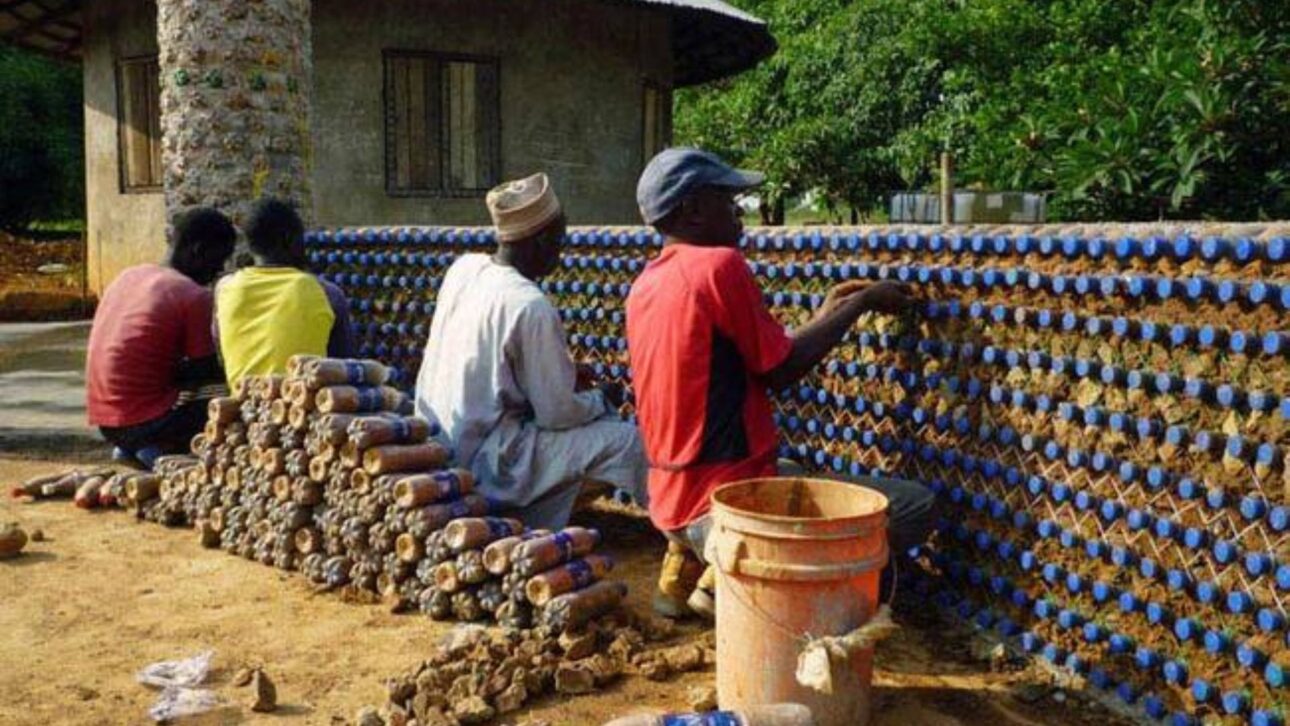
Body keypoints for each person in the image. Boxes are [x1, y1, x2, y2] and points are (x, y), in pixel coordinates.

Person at [626, 148, 936, 619]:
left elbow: (760, 355)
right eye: (728, 201)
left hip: (667, 501)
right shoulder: (718, 265)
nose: (740, 215)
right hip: (723, 506)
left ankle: (683, 569)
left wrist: (826, 312)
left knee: (789, 464)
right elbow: (783, 371)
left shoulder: (647, 284)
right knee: (915, 506)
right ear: (692, 209)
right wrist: (863, 304)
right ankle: (734, 580)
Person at [414, 173, 648, 530]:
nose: (561, 248)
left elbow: (490, 369)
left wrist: (565, 375)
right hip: (488, 462)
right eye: (559, 237)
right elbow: (556, 413)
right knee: (626, 441)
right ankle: (683, 537)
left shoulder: (464, 269)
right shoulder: (529, 304)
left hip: (436, 450)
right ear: (540, 241)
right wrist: (601, 398)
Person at [86, 207, 237, 468]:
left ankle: (133, 449)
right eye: (219, 260)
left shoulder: (128, 276)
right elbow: (205, 369)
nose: (219, 270)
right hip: (146, 422)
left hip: (106, 421)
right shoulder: (193, 295)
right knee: (229, 395)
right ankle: (159, 451)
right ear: (198, 251)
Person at [213, 198, 356, 386]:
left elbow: (222, 357)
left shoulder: (224, 289)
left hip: (242, 408)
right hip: (301, 408)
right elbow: (341, 368)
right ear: (289, 239)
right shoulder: (326, 293)